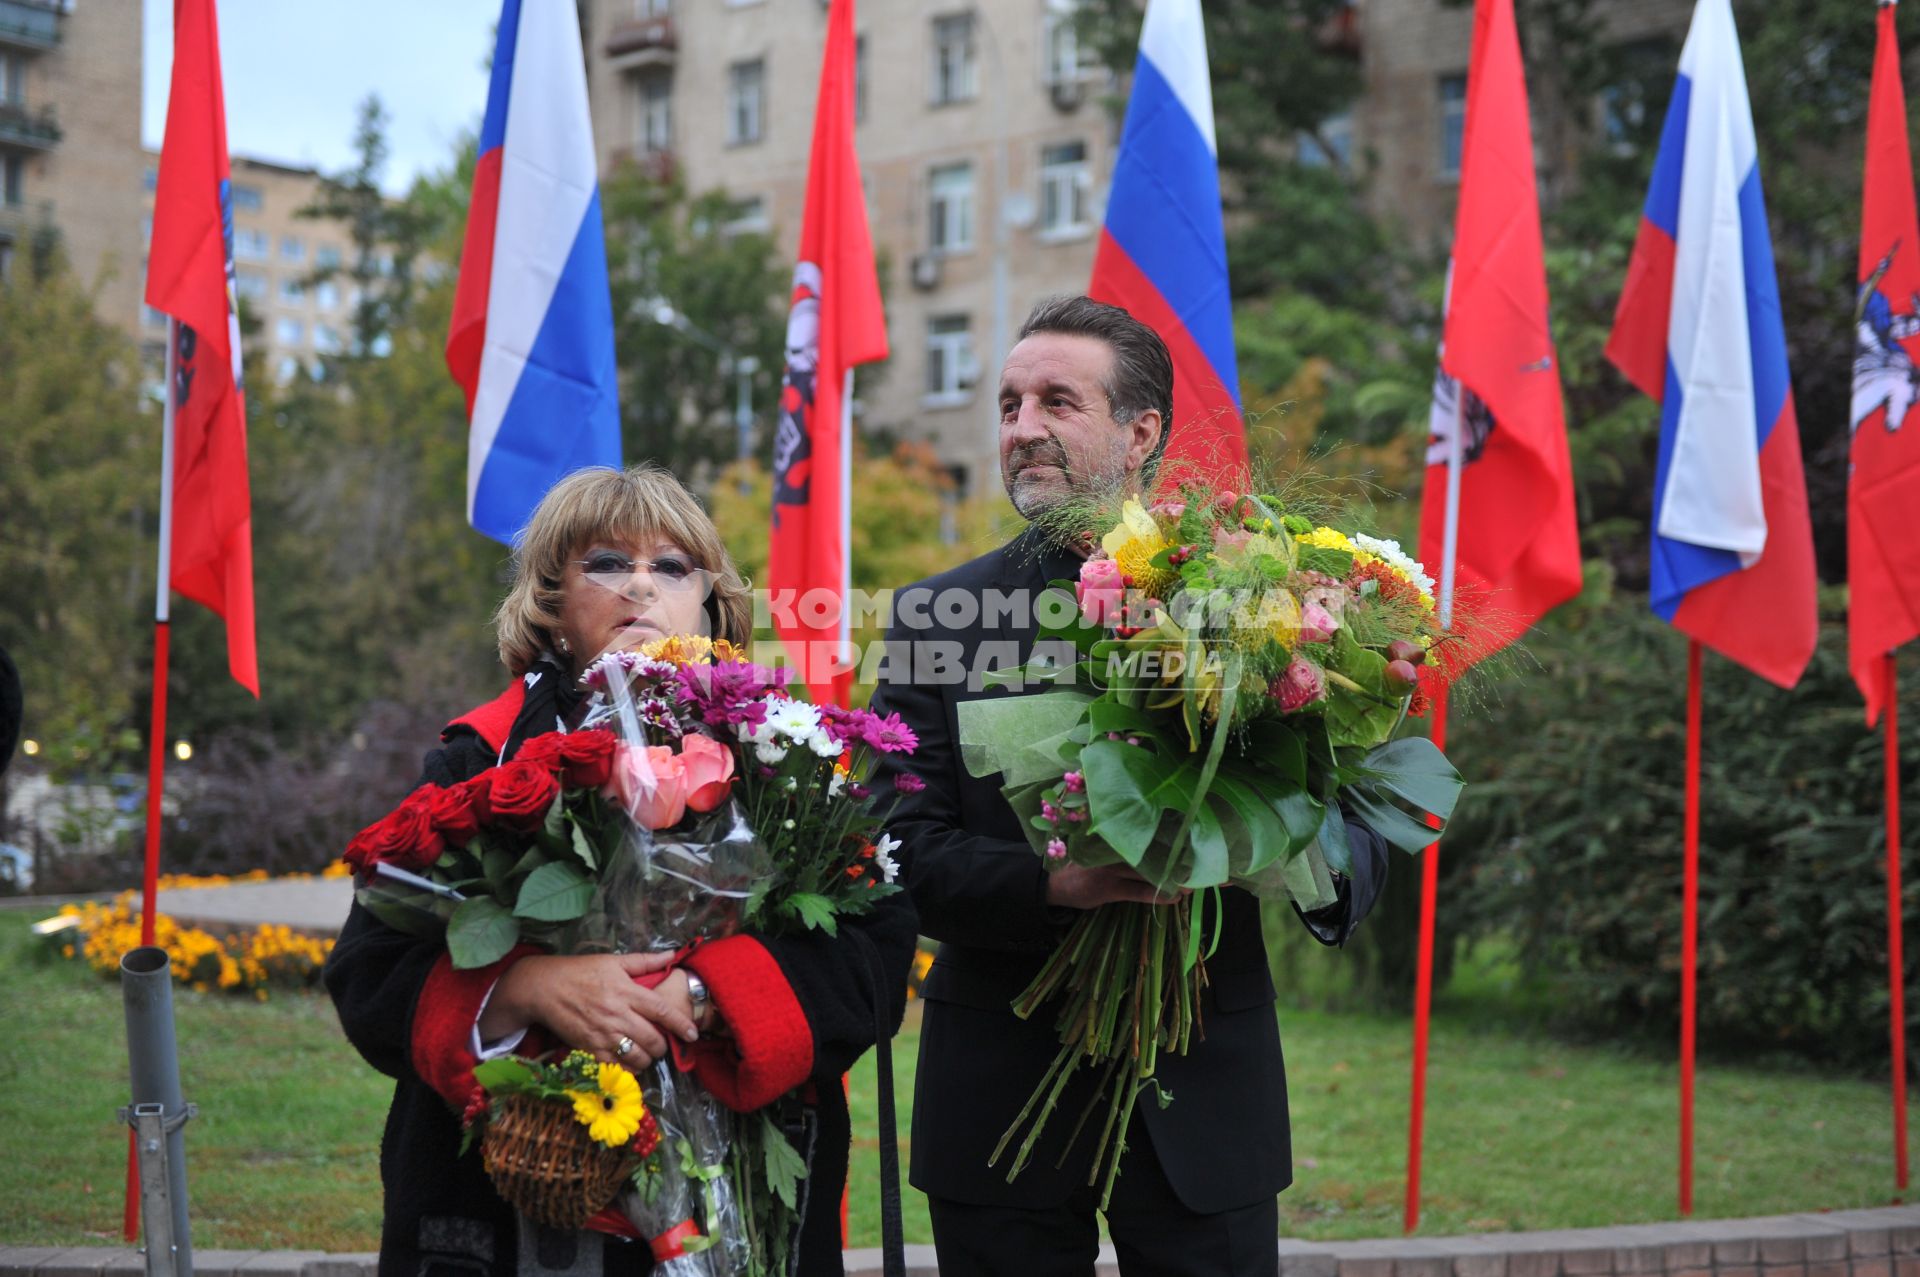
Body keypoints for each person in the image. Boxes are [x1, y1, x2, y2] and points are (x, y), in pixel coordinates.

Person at [869, 297, 1390, 1277]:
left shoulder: (1262, 589)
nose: (1022, 428)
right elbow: (895, 845)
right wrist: (1055, 885)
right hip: (997, 1097)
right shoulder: (937, 613)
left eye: (1057, 401)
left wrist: (1263, 843)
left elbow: (1355, 824)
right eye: (1009, 403)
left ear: (1142, 430)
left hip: (1207, 1092)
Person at [325, 464, 916, 1277]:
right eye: (606, 562)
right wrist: (529, 988)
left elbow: (872, 955)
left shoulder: (793, 763)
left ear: (710, 604)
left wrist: (700, 996)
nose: (641, 583)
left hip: (742, 1199)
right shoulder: (478, 761)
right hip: (509, 1211)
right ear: (553, 603)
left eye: (672, 567)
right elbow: (370, 971)